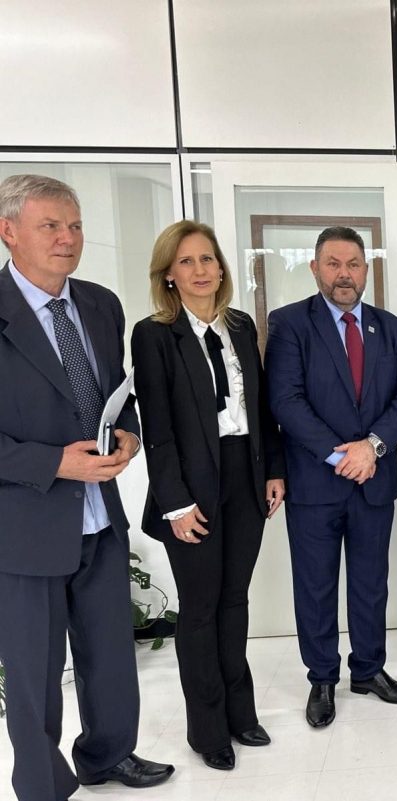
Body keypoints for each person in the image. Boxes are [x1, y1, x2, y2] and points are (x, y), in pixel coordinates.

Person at [0, 174, 174, 798]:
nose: (67, 238)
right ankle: (43, 784)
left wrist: (128, 435)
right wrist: (54, 463)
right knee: (35, 670)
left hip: (100, 515)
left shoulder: (100, 305)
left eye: (74, 226)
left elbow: (116, 393)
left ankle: (108, 756)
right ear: (8, 231)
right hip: (27, 525)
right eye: (50, 226)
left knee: (109, 652)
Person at [131, 221, 286, 771]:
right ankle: (208, 729)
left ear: (221, 267)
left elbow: (261, 407)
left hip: (246, 476)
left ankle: (241, 715)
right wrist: (174, 502)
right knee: (199, 610)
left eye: (207, 259)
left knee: (234, 601)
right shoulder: (154, 334)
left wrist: (273, 470)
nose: (200, 270)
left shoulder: (240, 326)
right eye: (187, 261)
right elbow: (157, 428)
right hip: (191, 487)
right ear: (169, 274)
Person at [266, 226, 397, 728]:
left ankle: (368, 670)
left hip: (373, 477)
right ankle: (322, 678)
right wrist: (341, 457)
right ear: (315, 268)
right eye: (333, 264)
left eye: (353, 264)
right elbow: (285, 400)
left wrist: (371, 447)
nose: (344, 274)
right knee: (315, 587)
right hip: (316, 483)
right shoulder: (290, 324)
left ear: (366, 270)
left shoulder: (390, 327)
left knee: (371, 583)